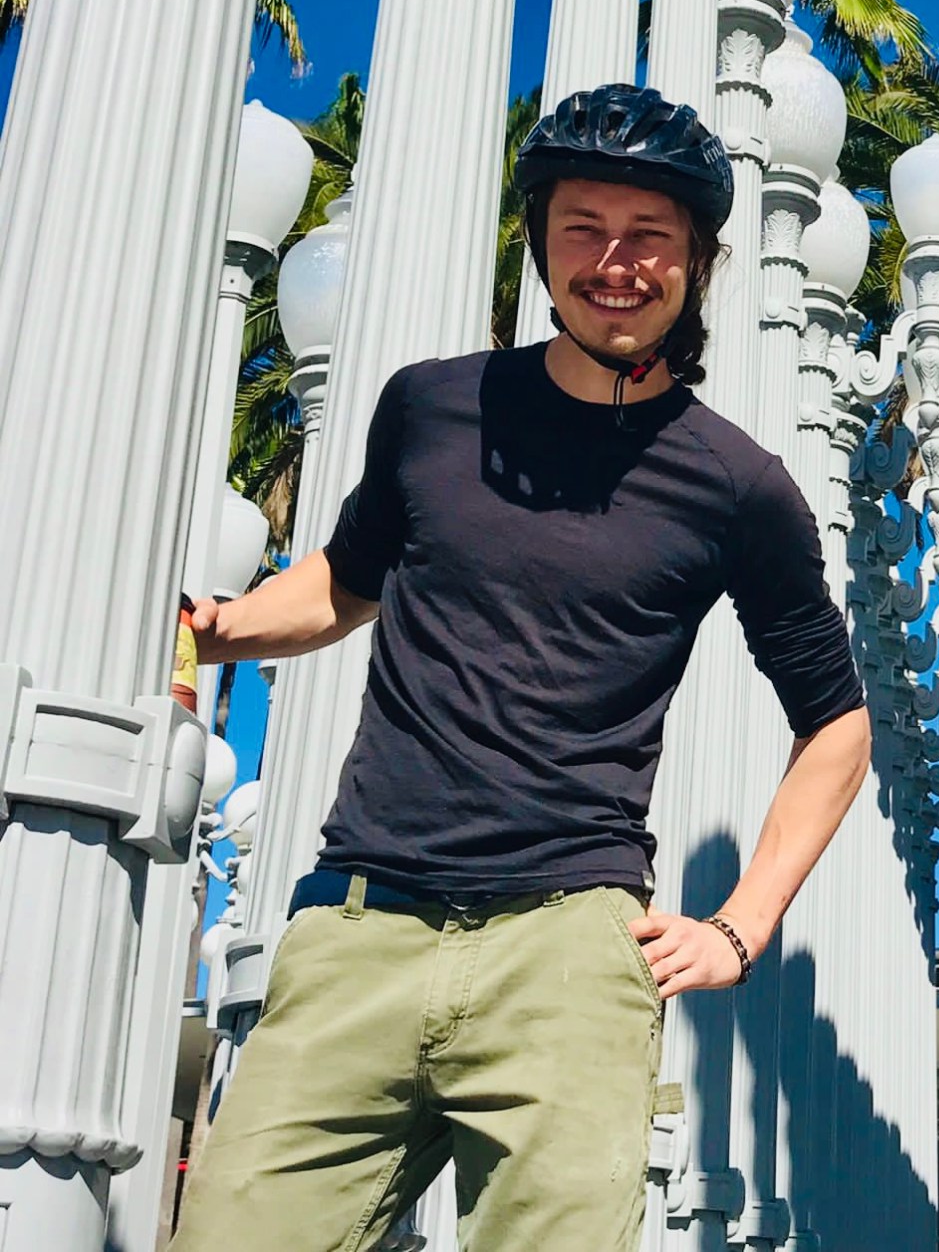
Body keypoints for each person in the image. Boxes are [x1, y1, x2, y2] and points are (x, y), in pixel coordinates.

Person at [170, 85, 872, 1252]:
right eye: (584, 228)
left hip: (567, 950)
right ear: (541, 243)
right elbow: (346, 582)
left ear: (698, 260)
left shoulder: (738, 488)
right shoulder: (433, 408)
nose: (615, 263)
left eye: (649, 236)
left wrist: (741, 928)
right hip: (360, 927)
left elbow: (837, 725)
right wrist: (218, 626)